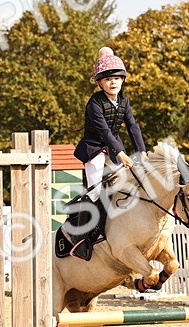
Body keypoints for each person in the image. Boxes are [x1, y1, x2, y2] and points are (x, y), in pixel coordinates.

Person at [60, 46, 147, 260]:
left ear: (122, 80)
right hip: (94, 148)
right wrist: (123, 154)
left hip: (112, 146)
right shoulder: (94, 104)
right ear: (99, 83)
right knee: (95, 191)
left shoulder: (124, 101)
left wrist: (142, 151)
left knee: (128, 181)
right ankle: (78, 237)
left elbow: (132, 126)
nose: (113, 82)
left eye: (117, 78)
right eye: (108, 80)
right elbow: (105, 132)